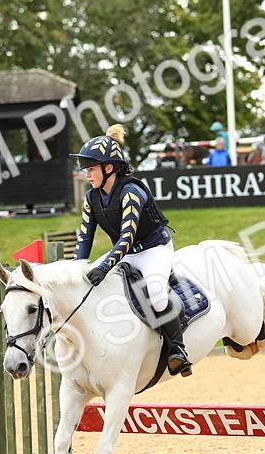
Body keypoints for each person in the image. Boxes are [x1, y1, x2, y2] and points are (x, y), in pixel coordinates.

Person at [73, 124, 191, 376]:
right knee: (85, 283)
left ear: (109, 168)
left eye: (91, 169)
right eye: (86, 170)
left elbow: (127, 237)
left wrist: (104, 267)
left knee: (157, 293)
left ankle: (177, 350)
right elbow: (85, 237)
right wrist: (76, 270)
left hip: (153, 248)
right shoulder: (91, 198)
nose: (87, 174)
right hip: (125, 251)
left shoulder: (131, 191)